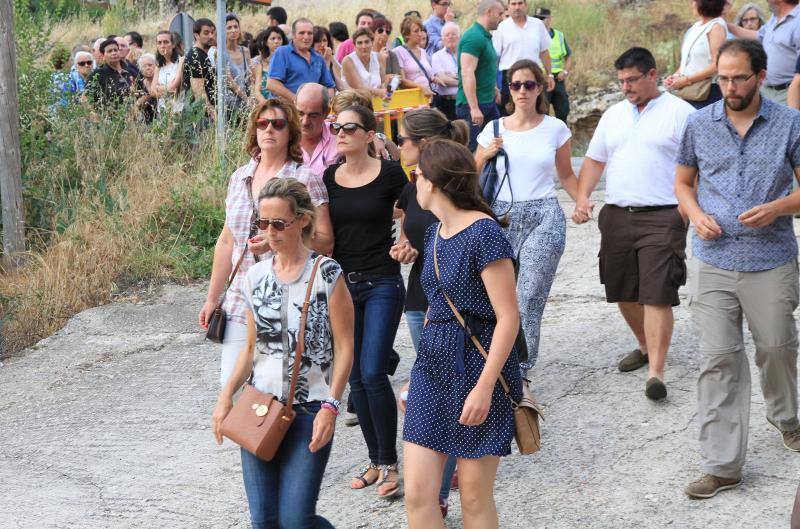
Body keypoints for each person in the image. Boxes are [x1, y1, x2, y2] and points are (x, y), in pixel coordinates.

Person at [675, 38, 800, 500]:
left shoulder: (790, 124)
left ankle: (786, 417)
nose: (728, 86)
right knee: (718, 360)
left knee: (776, 348)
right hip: (713, 263)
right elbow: (683, 182)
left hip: (771, 261)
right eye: (722, 78)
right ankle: (721, 466)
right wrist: (694, 212)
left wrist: (779, 207)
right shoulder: (698, 123)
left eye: (738, 78)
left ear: (761, 77)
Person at [211, 176, 354, 529]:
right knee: (264, 521)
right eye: (262, 222)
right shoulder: (255, 277)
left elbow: (346, 346)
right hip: (259, 406)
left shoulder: (326, 273)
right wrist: (226, 396)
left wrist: (331, 407)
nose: (269, 232)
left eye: (278, 223)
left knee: (295, 521)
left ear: (303, 220)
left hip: (310, 411)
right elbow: (250, 348)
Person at [402, 139, 522, 529]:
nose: (413, 181)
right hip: (433, 367)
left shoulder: (484, 233)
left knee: (473, 495)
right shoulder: (435, 233)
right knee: (418, 494)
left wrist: (485, 387)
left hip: (478, 367)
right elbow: (438, 306)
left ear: (433, 181)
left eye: (415, 173)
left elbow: (508, 318)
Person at [572, 47, 695, 400]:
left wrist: (687, 212)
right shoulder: (613, 115)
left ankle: (656, 372)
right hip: (617, 214)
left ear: (653, 75)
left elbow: (697, 167)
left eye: (632, 79)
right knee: (623, 289)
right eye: (621, 80)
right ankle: (643, 346)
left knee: (657, 294)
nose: (625, 87)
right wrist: (582, 198)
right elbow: (594, 161)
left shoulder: (680, 114)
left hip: (664, 215)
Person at [199, 99, 333, 388]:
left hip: (287, 295)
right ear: (254, 131)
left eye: (278, 123)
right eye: (263, 123)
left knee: (278, 391)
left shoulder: (305, 179)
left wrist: (275, 242)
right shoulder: (239, 178)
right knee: (231, 389)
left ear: (290, 132)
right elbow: (226, 242)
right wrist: (212, 298)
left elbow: (325, 241)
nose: (269, 128)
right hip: (239, 297)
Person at [322, 104, 408, 499]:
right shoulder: (329, 177)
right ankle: (377, 461)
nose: (340, 132)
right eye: (335, 127)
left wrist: (406, 236)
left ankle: (391, 464)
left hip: (382, 283)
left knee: (373, 372)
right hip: (342, 286)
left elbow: (415, 205)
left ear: (370, 134)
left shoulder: (390, 173)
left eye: (349, 127)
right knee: (355, 379)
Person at [475, 58, 578, 375]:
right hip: (501, 215)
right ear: (509, 89)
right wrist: (486, 153)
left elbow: (567, 175)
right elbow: (470, 173)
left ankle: (521, 366)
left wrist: (583, 202)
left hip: (544, 214)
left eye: (529, 84)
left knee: (529, 294)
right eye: (516, 84)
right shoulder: (493, 129)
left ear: (541, 87)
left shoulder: (555, 128)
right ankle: (496, 358)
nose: (522, 90)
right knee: (495, 296)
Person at [392, 108, 470, 518]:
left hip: (449, 307)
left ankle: (440, 488)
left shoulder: (451, 185)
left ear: (423, 144)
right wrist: (405, 248)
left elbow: (462, 235)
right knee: (433, 396)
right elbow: (412, 233)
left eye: (403, 139)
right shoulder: (413, 187)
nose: (398, 145)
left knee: (443, 396)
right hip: (418, 298)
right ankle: (439, 480)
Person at [727, 0, 800, 104]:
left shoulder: (797, 20)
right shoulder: (775, 18)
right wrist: (726, 25)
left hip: (788, 93)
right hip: (766, 91)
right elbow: (757, 36)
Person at [457, 0, 506, 150]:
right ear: (489, 12)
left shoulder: (485, 36)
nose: (502, 18)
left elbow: (484, 68)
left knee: (497, 145)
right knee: (473, 152)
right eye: (500, 14)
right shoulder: (474, 37)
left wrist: (494, 88)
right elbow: (467, 72)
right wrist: (474, 108)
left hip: (487, 102)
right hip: (473, 106)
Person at [492, 0, 554, 117]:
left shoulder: (537, 25)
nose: (517, 7)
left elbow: (544, 52)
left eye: (520, 3)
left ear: (526, 5)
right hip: (510, 78)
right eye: (513, 4)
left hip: (534, 76)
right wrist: (494, 85)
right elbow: (495, 57)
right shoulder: (502, 27)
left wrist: (550, 75)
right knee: (510, 113)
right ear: (508, 7)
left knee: (539, 110)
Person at [664, 0, 726, 110]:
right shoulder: (696, 27)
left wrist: (687, 80)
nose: (692, 4)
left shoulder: (716, 27)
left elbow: (717, 64)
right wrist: (675, 76)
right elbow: (688, 61)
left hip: (707, 92)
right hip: (690, 91)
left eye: (694, 1)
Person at [268, 18, 336, 103]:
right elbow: (272, 84)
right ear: (293, 35)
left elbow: (329, 87)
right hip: (284, 110)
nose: (306, 37)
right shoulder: (282, 52)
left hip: (310, 112)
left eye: (310, 33)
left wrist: (322, 104)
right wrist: (297, 100)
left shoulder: (318, 58)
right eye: (302, 33)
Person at [210, 14, 252, 121]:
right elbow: (229, 82)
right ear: (222, 31)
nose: (233, 30)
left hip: (246, 103)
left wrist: (252, 97)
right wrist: (247, 99)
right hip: (229, 105)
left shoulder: (245, 51)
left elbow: (250, 78)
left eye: (235, 26)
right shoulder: (219, 53)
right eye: (229, 27)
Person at [535, 7, 572, 122]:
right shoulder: (533, 36)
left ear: (550, 19)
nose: (540, 21)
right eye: (537, 18)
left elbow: (569, 55)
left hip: (558, 79)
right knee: (542, 112)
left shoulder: (559, 36)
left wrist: (565, 71)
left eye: (542, 18)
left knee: (563, 111)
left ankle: (562, 137)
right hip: (541, 79)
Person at [394, 16, 437, 99]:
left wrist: (435, 78)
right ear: (406, 35)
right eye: (416, 31)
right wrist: (421, 87)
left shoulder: (423, 52)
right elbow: (402, 81)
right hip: (410, 100)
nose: (420, 34)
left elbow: (427, 74)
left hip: (426, 99)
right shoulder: (398, 52)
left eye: (420, 30)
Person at [183, 18, 217, 120]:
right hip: (200, 116)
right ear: (196, 35)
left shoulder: (204, 55)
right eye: (206, 33)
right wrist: (214, 116)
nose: (211, 36)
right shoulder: (196, 55)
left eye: (212, 32)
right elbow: (199, 92)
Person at [87, 38, 135, 109]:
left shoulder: (130, 71)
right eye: (109, 51)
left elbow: (144, 93)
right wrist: (93, 114)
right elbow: (86, 97)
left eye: (116, 50)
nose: (114, 53)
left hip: (130, 116)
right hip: (107, 116)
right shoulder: (98, 74)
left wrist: (136, 106)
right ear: (103, 56)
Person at [342, 28, 387, 97]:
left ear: (372, 42)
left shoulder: (379, 57)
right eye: (360, 43)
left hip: (376, 101)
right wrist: (378, 92)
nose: (364, 46)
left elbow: (383, 83)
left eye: (367, 42)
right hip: (354, 102)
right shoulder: (348, 61)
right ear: (355, 45)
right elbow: (358, 88)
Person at [431, 22, 460, 120]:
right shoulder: (437, 56)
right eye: (447, 35)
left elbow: (472, 75)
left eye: (453, 34)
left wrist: (452, 76)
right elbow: (443, 80)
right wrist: (463, 81)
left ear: (459, 37)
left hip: (465, 101)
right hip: (447, 103)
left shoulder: (465, 55)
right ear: (442, 39)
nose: (450, 37)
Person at [151, 31, 185, 114]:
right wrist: (167, 89)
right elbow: (152, 92)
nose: (162, 46)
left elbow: (173, 89)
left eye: (166, 42)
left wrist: (159, 87)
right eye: (159, 43)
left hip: (179, 110)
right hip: (162, 111)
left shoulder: (180, 62)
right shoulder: (159, 66)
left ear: (173, 45)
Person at [253, 26, 289, 104]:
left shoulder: (288, 62)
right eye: (273, 39)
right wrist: (264, 103)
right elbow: (257, 90)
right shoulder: (260, 63)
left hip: (285, 104)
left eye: (279, 38)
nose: (276, 41)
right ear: (266, 42)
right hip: (264, 104)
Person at [313, 26, 348, 91]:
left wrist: (331, 58)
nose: (322, 44)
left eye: (324, 40)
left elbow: (341, 84)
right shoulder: (310, 60)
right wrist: (326, 63)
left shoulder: (329, 58)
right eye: (318, 41)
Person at [371, 17, 402, 82]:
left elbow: (398, 79)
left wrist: (388, 90)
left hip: (390, 91)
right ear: (372, 33)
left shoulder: (391, 55)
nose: (384, 34)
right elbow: (369, 78)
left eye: (387, 32)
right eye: (380, 31)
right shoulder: (367, 54)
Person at [133, 53, 158, 123]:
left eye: (150, 65)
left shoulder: (161, 81)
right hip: (146, 122)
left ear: (156, 65)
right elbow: (136, 105)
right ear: (140, 69)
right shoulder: (138, 84)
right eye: (144, 66)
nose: (147, 68)